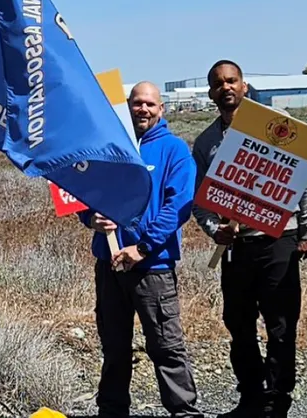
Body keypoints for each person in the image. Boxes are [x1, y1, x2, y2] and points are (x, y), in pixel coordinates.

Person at [190, 60, 307, 418]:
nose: (226, 88)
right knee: (238, 323)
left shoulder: (275, 129)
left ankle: (277, 402)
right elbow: (200, 201)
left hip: (278, 239)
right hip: (236, 249)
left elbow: (305, 183)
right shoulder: (205, 143)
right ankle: (250, 397)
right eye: (218, 83)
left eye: (232, 81)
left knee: (280, 324)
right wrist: (216, 230)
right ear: (211, 92)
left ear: (244, 86)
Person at [81, 82, 204, 418]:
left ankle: (184, 413)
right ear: (127, 106)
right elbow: (83, 190)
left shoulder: (174, 151)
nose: (143, 110)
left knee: (166, 348)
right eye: (136, 103)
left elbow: (178, 206)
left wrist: (143, 247)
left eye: (150, 104)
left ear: (161, 109)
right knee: (114, 348)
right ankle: (112, 411)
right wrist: (91, 217)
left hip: (152, 270)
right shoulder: (109, 146)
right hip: (110, 267)